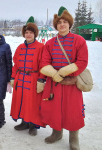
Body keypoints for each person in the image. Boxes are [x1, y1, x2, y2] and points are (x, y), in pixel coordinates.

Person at [40, 6, 88, 150]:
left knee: (73, 111)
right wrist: (55, 75)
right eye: (59, 22)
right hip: (55, 83)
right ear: (56, 26)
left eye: (65, 22)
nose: (62, 24)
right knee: (55, 109)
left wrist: (65, 74)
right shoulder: (49, 43)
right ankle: (56, 134)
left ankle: (74, 139)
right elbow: (44, 62)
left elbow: (82, 61)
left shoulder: (79, 40)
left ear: (69, 24)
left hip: (72, 84)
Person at [10, 16, 46, 136]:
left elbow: (43, 64)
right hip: (21, 78)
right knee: (21, 101)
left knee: (33, 103)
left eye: (31, 32)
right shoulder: (20, 47)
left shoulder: (41, 47)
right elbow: (16, 64)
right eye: (26, 32)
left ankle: (33, 125)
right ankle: (24, 122)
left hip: (33, 78)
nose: (28, 34)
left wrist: (41, 79)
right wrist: (13, 77)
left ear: (35, 34)